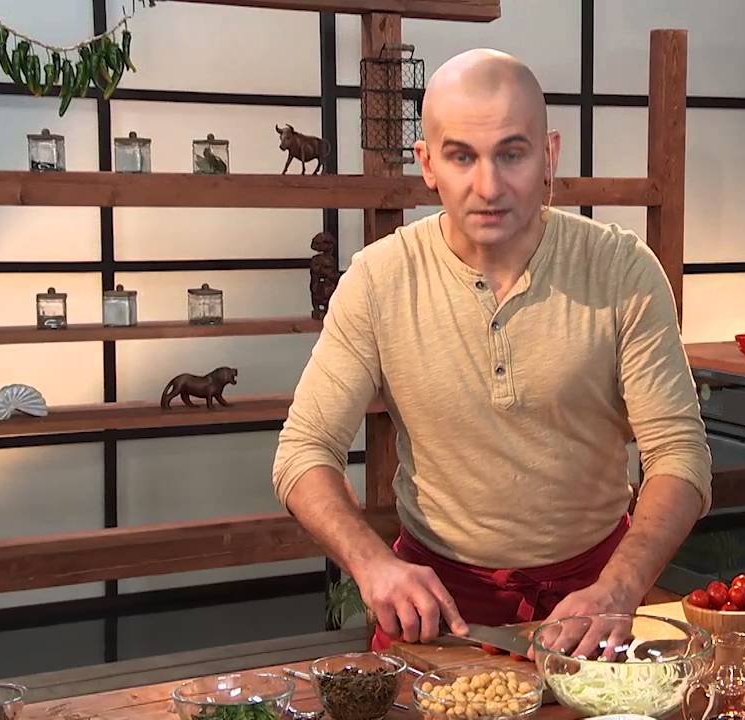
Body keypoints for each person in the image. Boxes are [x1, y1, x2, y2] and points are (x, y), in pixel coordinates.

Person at [271, 48, 711, 657]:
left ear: (549, 156)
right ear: (427, 164)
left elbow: (680, 454)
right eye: (461, 157)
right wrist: (372, 564)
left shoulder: (622, 270)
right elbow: (303, 450)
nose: (489, 186)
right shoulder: (379, 278)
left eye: (512, 154)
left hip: (595, 607)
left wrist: (620, 586)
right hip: (437, 614)